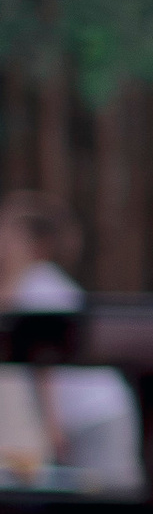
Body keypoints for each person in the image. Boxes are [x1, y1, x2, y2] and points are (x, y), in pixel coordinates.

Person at [0, 196, 143, 486]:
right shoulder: (32, 284)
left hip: (92, 413)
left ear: (35, 246)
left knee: (103, 499)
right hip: (87, 414)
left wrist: (53, 427)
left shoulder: (40, 288)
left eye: (8, 238)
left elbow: (46, 362)